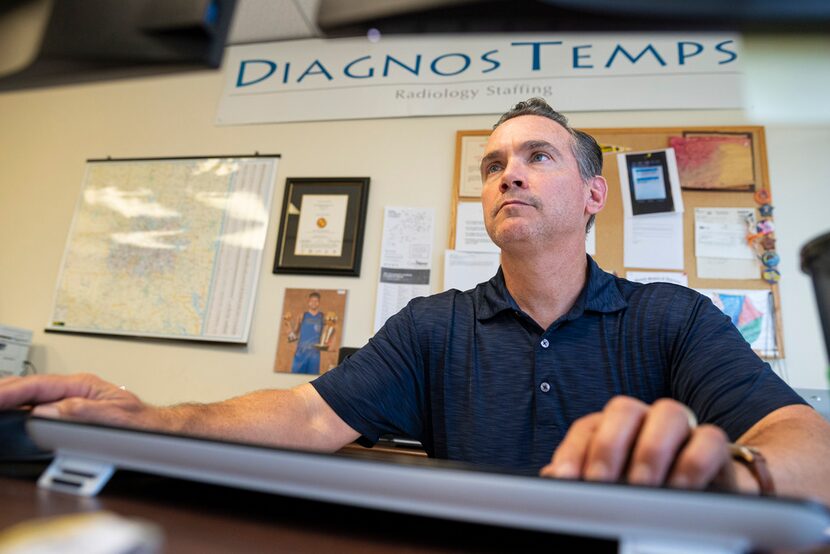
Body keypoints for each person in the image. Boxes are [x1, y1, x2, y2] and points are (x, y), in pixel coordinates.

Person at [2, 98, 829, 504]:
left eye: (538, 156)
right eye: (494, 162)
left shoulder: (673, 319)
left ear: (592, 194)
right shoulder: (434, 326)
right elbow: (303, 417)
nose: (507, 171)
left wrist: (739, 478)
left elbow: (809, 446)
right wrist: (153, 419)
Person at [287, 291, 329, 375]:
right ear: (308, 302)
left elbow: (325, 335)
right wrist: (289, 329)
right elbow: (295, 333)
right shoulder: (302, 315)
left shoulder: (322, 317)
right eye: (312, 301)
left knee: (311, 380)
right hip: (301, 352)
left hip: (314, 354)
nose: (314, 303)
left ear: (319, 303)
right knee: (295, 378)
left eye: (316, 301)